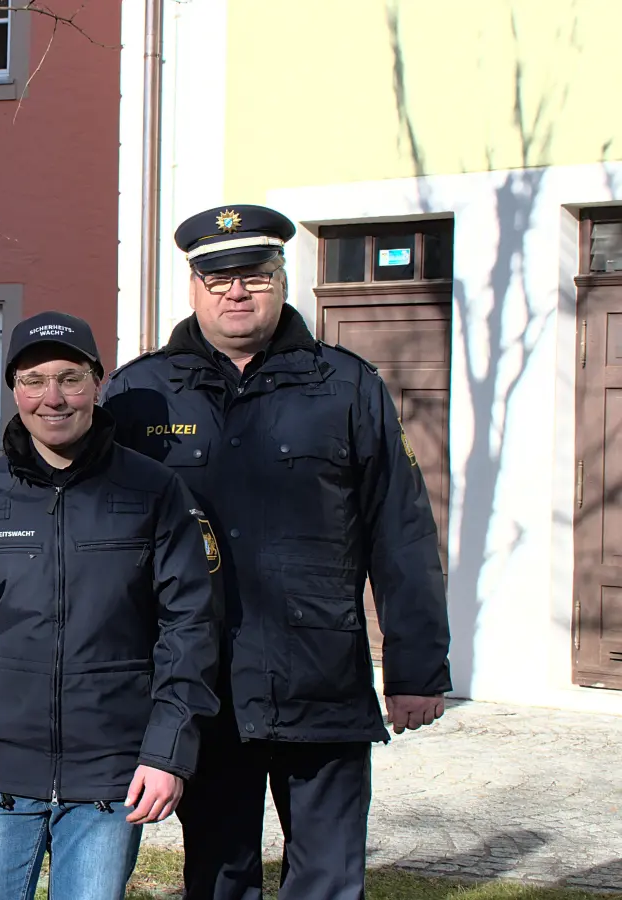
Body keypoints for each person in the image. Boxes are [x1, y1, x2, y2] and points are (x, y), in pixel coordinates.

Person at [101, 204, 452, 900]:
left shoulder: (347, 387)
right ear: (195, 286)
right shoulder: (139, 393)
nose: (238, 291)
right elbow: (101, 541)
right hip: (204, 684)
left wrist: (418, 667)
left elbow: (402, 531)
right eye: (219, 277)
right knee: (219, 875)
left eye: (255, 275)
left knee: (327, 880)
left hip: (320, 681)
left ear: (282, 279)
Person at [0, 311, 223, 900]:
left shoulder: (154, 492)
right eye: (33, 380)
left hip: (110, 781)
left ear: (97, 383)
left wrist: (167, 753)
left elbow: (191, 628)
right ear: (13, 390)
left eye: (69, 377)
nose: (52, 397)